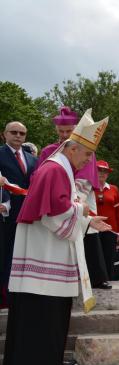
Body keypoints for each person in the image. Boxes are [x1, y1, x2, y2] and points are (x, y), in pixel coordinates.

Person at [4, 108, 111, 365]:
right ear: (72, 148)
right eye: (86, 154)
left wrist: (88, 220)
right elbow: (56, 215)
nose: (87, 160)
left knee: (38, 310)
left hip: (43, 249)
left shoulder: (55, 167)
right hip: (46, 254)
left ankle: (30, 363)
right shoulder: (56, 171)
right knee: (46, 310)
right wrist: (83, 215)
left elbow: (58, 207)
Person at [39, 107, 111, 290]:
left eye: (68, 131)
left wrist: (76, 199)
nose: (64, 135)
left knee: (89, 232)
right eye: (61, 132)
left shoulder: (86, 149)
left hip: (81, 195)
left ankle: (96, 277)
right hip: (60, 198)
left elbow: (85, 176)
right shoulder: (49, 150)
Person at [0, 122, 37, 308]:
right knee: (5, 255)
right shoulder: (0, 154)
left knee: (23, 255)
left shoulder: (32, 158)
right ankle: (5, 296)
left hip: (28, 215)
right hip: (5, 214)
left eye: (22, 133)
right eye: (13, 132)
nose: (18, 136)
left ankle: (21, 294)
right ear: (4, 134)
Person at [95, 160, 119, 281]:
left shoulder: (114, 189)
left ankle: (108, 280)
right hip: (93, 228)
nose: (102, 174)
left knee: (109, 256)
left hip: (111, 229)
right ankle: (96, 281)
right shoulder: (89, 187)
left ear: (108, 174)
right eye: (99, 171)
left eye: (105, 171)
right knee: (95, 256)